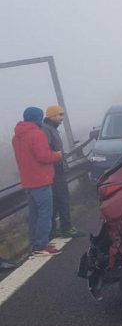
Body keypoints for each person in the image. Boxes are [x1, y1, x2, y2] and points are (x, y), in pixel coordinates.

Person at [12, 107, 64, 256]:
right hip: (41, 179)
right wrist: (57, 155)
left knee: (34, 214)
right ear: (38, 118)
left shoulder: (17, 137)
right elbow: (43, 157)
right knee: (45, 214)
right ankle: (41, 245)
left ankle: (36, 242)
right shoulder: (37, 134)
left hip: (28, 181)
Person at [42, 105, 84, 238]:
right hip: (55, 170)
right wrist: (59, 155)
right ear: (52, 116)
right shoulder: (48, 130)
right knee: (62, 199)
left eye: (63, 114)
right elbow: (46, 151)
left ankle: (54, 229)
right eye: (59, 115)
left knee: (55, 201)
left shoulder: (50, 129)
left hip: (55, 170)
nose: (62, 118)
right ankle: (66, 228)